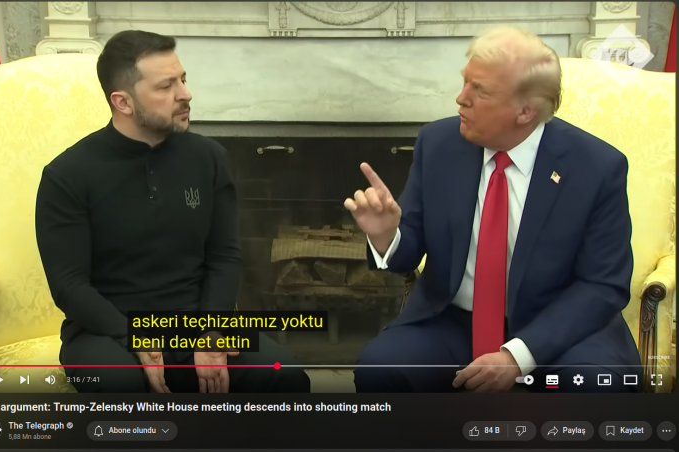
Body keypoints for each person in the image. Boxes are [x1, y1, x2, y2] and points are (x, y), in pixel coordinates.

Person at [344, 26, 641, 393]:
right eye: (465, 82)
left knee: (594, 385)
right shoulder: (438, 144)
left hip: (558, 329)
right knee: (381, 368)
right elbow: (409, 250)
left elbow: (603, 285)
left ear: (525, 111)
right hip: (452, 322)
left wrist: (517, 357)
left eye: (479, 91)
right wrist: (387, 235)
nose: (460, 99)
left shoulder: (596, 167)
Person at [35, 30, 310, 393]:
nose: (185, 94)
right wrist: (134, 338)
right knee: (120, 382)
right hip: (109, 331)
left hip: (197, 325)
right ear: (123, 102)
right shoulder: (67, 175)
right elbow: (70, 286)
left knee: (284, 375)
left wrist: (212, 333)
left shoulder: (209, 158)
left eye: (183, 79)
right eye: (166, 86)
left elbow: (224, 256)